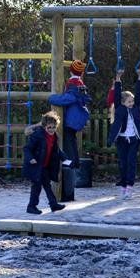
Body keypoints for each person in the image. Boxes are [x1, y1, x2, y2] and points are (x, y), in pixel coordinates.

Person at [48, 59, 91, 201]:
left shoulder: (73, 84)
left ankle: (71, 162)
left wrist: (52, 98)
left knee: (67, 139)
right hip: (76, 117)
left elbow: (68, 99)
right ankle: (73, 161)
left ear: (71, 70)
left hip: (72, 118)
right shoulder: (80, 83)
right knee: (70, 138)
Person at [107, 69, 140, 199]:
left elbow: (139, 93)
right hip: (122, 140)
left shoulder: (136, 108)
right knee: (123, 164)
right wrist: (118, 78)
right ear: (123, 103)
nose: (132, 103)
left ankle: (130, 187)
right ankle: (124, 186)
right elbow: (117, 95)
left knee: (131, 163)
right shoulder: (120, 109)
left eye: (132, 101)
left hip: (134, 140)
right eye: (129, 102)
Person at [22, 112, 68, 215]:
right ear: (44, 127)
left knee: (47, 185)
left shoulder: (54, 136)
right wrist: (31, 158)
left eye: (54, 127)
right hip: (35, 165)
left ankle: (53, 204)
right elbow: (27, 148)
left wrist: (65, 158)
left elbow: (56, 150)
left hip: (45, 165)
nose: (52, 129)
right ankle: (31, 206)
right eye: (49, 127)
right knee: (37, 186)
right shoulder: (38, 135)